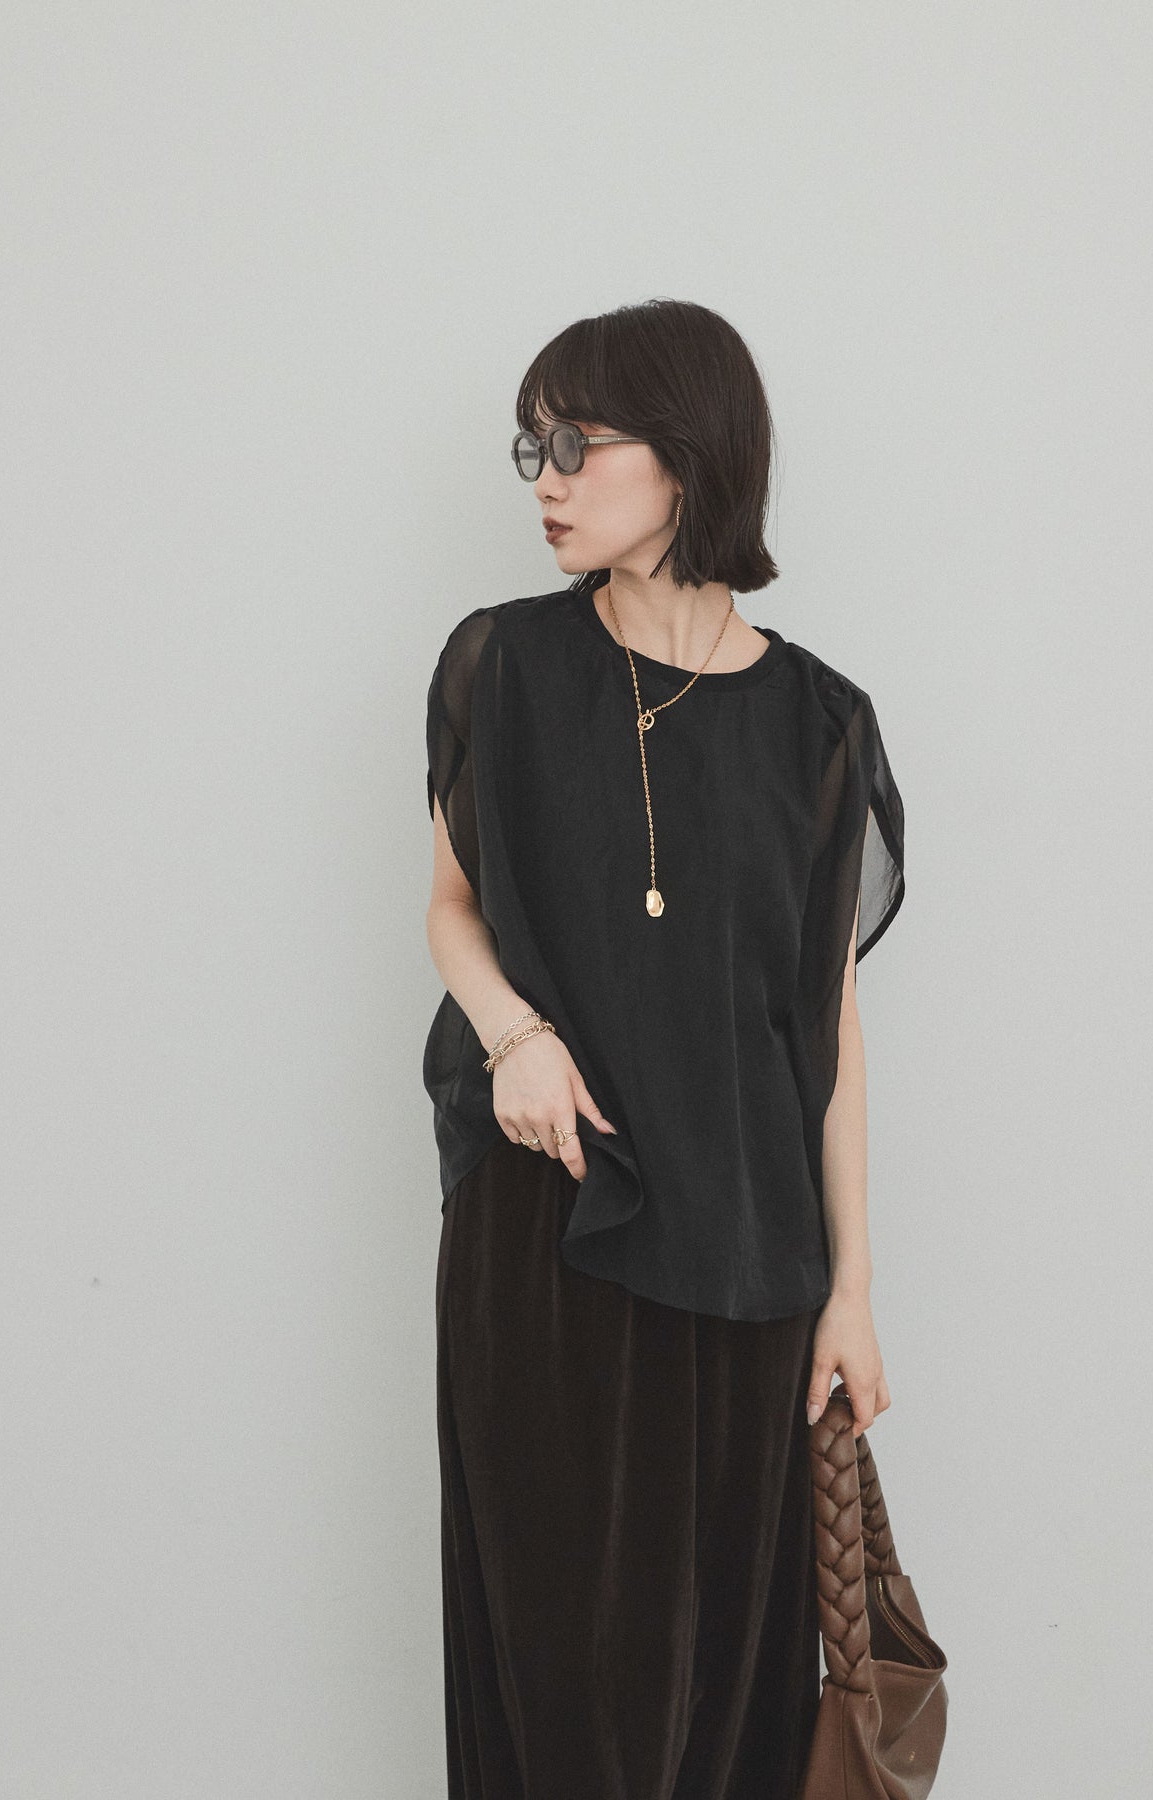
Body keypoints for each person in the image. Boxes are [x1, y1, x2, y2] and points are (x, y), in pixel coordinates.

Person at [424, 298, 906, 1799]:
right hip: (547, 1231)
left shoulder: (819, 724)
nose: (547, 481)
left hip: (752, 1259)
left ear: (688, 457)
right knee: (564, 1680)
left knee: (730, 1687)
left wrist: (851, 1292)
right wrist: (514, 1036)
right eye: (535, 449)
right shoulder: (502, 665)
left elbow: (826, 1026)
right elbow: (451, 907)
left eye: (577, 445)